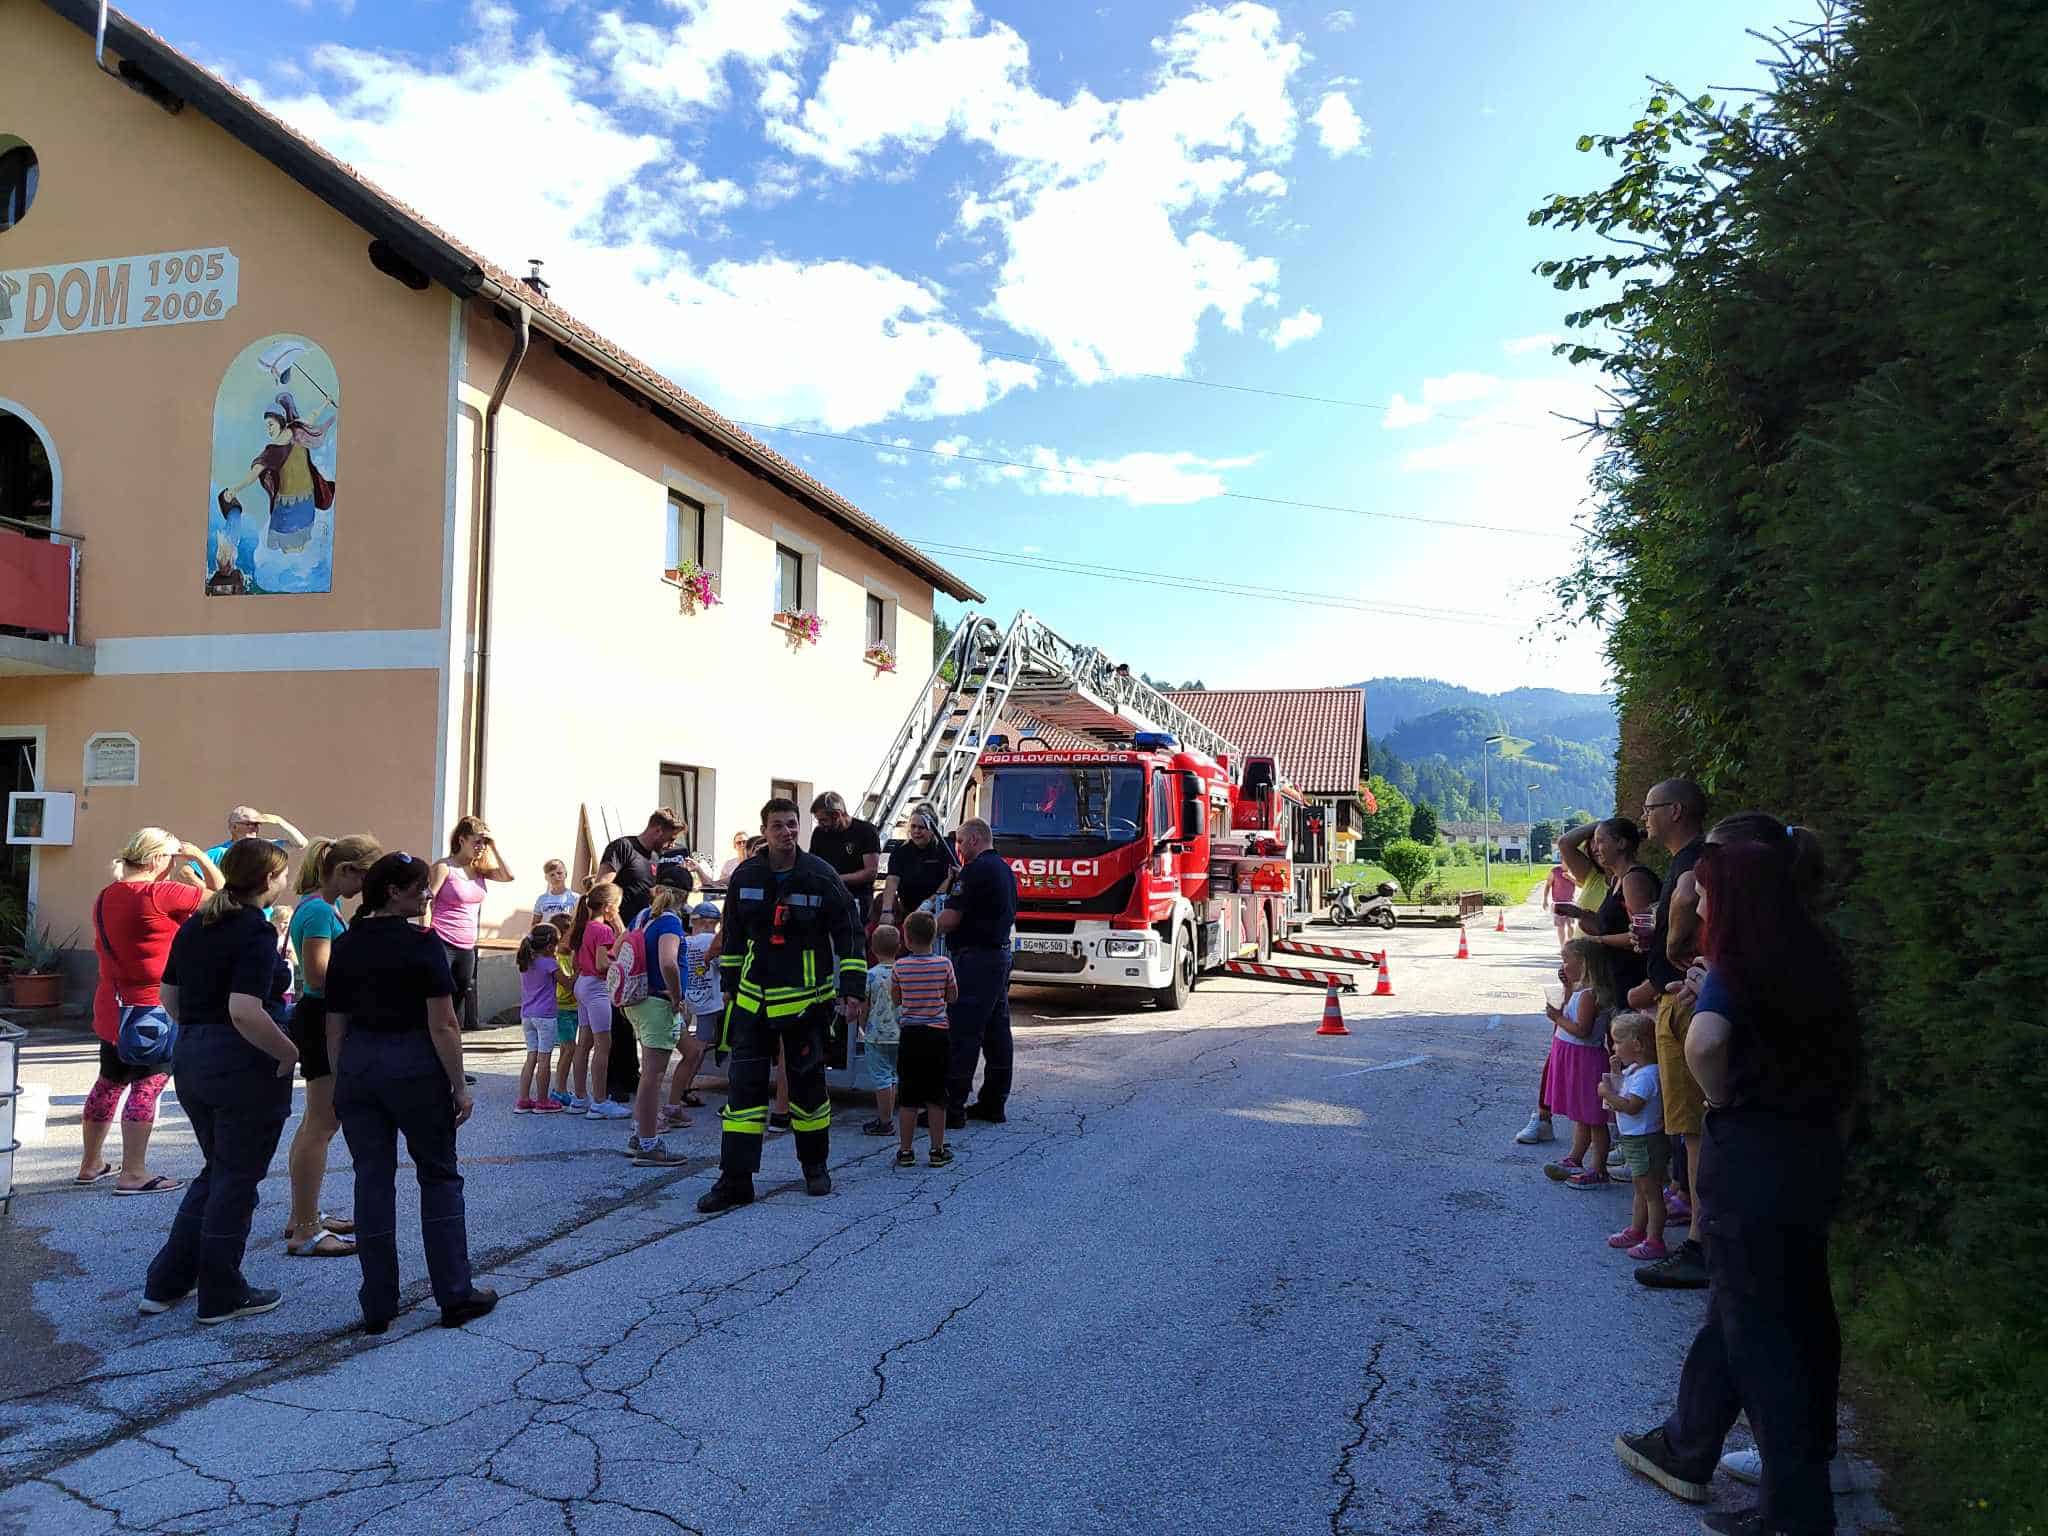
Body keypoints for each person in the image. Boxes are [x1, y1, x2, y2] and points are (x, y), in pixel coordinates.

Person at [1613, 830, 1860, 1536]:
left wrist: (1721, 1103)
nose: (1701, 896)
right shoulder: (1819, 955)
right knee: (1789, 1309)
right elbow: (1845, 1076)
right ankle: (1688, 1447)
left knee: (1761, 1333)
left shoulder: (1740, 957)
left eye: (1709, 889)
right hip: (1808, 1153)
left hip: (1752, 1152)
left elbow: (1707, 1041)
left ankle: (1795, 1515)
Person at [325, 852, 497, 1335]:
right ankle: (454, 1293)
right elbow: (443, 1022)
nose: (427, 894)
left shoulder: (348, 943)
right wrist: (459, 1084)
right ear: (393, 891)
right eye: (420, 887)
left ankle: (378, 1303)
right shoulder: (423, 943)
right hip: (413, 1066)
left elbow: (334, 1026)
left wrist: (342, 1081)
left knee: (372, 1180)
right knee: (439, 1177)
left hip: (360, 1064)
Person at [140, 839, 298, 1324]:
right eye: (282, 873)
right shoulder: (254, 931)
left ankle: (167, 1281)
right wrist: (289, 1054)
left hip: (192, 1054)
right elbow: (245, 1009)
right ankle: (221, 1291)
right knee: (235, 1179)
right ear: (269, 879)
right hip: (240, 1063)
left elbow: (169, 995)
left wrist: (203, 1033)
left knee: (217, 1171)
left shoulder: (200, 923)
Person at [696, 797, 865, 1214]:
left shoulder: (820, 875)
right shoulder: (747, 876)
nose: (787, 832)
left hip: (807, 1003)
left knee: (808, 1090)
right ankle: (736, 1180)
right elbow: (733, 934)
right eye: (778, 826)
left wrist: (853, 987)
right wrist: (732, 985)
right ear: (765, 831)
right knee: (743, 1094)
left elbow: (850, 933)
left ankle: (815, 1168)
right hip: (754, 1002)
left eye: (792, 825)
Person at [82, 829, 222, 1195]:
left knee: (109, 1080)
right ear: (159, 859)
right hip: (151, 1008)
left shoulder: (105, 896)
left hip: (111, 1003)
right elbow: (226, 899)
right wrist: (201, 861)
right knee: (148, 1085)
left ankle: (90, 1163)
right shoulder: (162, 893)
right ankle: (133, 1173)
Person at [282, 833, 382, 1258]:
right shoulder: (321, 912)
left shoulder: (322, 907)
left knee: (315, 1123)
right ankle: (305, 1230)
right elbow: (320, 976)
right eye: (363, 877)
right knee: (322, 1126)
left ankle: (303, 1214)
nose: (365, 887)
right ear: (344, 871)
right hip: (321, 1020)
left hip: (318, 1019)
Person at [1630, 779, 1711, 1290]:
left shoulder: (1690, 863)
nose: (1644, 817)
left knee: (1693, 1129)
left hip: (1678, 1000)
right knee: (1690, 1127)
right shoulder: (1693, 858)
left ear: (1675, 811)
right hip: (1671, 992)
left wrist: (1674, 944)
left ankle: (1701, 1243)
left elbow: (1684, 901)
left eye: (1650, 808)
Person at [595, 809, 686, 1102]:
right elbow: (601, 888)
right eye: (669, 838)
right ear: (658, 829)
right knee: (619, 1013)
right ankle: (614, 1082)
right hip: (624, 941)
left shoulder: (655, 860)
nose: (669, 845)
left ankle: (631, 1074)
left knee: (635, 1014)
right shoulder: (623, 848)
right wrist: (625, 933)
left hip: (642, 941)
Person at [938, 817, 1018, 1127]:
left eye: (959, 841)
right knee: (997, 1034)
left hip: (975, 960)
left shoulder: (975, 871)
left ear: (973, 839)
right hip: (997, 956)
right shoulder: (1002, 868)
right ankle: (993, 1103)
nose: (957, 848)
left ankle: (952, 1108)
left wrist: (918, 927)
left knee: (963, 1032)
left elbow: (950, 919)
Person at [1539, 937, 1617, 1188]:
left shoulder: (1588, 995)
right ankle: (1575, 1157)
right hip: (1575, 1056)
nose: (1562, 965)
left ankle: (1599, 1169)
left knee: (1594, 1118)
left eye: (1566, 959)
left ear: (1583, 962)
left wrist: (1557, 1018)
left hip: (1583, 1060)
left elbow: (1581, 1029)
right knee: (1582, 1115)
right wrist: (1568, 987)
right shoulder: (1580, 990)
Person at [624, 882, 691, 1165]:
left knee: (647, 1073)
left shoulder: (641, 917)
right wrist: (676, 996)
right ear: (686, 894)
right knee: (653, 1076)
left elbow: (618, 951)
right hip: (657, 1002)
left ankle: (641, 1136)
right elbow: (668, 962)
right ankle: (649, 1143)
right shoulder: (670, 922)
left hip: (636, 1001)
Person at [429, 816, 515, 1034]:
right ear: (461, 840)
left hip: (467, 946)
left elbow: (508, 876)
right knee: (438, 1002)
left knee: (457, 1003)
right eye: (476, 842)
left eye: (483, 843)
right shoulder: (444, 867)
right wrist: (424, 934)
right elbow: (427, 899)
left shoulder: (478, 870)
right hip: (442, 941)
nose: (480, 847)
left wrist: (493, 845)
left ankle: (451, 1049)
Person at [1598, 1010, 1668, 1261]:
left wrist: (1606, 1094)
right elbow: (1623, 1089)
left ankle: (1655, 1239)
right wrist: (1615, 1074)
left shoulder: (1647, 1076)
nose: (1613, 1046)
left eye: (1618, 1041)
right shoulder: (1635, 1070)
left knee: (1651, 1191)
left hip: (1645, 1140)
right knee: (1640, 1188)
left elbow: (1631, 1106)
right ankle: (1638, 1229)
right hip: (1634, 1139)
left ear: (1636, 1045)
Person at [892, 911, 957, 1168]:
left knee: (908, 1096)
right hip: (937, 1034)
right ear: (934, 936)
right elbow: (952, 996)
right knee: (936, 1095)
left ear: (906, 939)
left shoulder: (900, 966)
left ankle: (906, 1151)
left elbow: (896, 999)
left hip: (910, 1034)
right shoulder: (944, 964)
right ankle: (937, 1150)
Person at [566, 884, 630, 1118]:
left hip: (583, 983)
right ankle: (600, 1102)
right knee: (603, 1045)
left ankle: (580, 1098)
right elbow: (603, 963)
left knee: (584, 1043)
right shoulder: (602, 931)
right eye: (618, 906)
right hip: (597, 988)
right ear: (609, 907)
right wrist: (622, 966)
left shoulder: (585, 926)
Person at [662, 902, 722, 1129]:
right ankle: (685, 1086)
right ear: (711, 923)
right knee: (699, 1047)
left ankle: (680, 1087)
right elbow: (722, 966)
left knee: (684, 1043)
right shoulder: (712, 941)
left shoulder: (685, 941)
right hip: (709, 1002)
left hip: (686, 998)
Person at [875, 804, 957, 930]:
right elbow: (892, 881)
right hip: (908, 912)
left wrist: (926, 906)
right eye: (913, 826)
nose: (916, 831)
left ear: (932, 830)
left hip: (936, 912)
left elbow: (949, 879)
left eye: (921, 827)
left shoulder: (943, 849)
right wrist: (887, 911)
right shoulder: (901, 851)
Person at [514, 920, 565, 1114]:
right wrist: (578, 972)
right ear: (551, 946)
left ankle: (523, 1099)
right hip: (546, 1017)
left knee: (531, 1057)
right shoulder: (550, 964)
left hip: (527, 1016)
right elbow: (567, 984)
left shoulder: (526, 962)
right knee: (545, 1059)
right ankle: (543, 1100)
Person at [810, 791, 881, 920]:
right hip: (827, 898)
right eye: (818, 820)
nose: (820, 824)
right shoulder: (819, 833)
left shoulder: (866, 831)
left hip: (857, 900)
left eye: (823, 820)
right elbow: (813, 864)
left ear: (837, 814)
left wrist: (836, 879)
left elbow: (871, 872)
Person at [860, 924, 903, 1136]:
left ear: (873, 949)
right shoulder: (902, 972)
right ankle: (890, 1114)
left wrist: (862, 1025)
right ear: (899, 947)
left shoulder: (870, 975)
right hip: (901, 1033)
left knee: (881, 1078)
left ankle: (885, 1121)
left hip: (877, 1035)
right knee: (893, 1075)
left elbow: (864, 1006)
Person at [202, 806, 309, 870]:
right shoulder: (219, 852)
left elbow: (301, 843)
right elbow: (188, 872)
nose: (253, 828)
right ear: (234, 827)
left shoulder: (266, 848)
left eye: (257, 824)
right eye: (248, 824)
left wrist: (279, 821)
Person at [550, 919, 581, 1107]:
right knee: (570, 1048)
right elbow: (567, 984)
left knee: (566, 1049)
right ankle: (559, 1089)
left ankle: (560, 1087)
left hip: (572, 1008)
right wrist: (579, 971)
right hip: (562, 1008)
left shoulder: (568, 956)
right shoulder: (557, 959)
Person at [1543, 859, 1578, 948]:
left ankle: (1571, 946)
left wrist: (1570, 877)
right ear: (1562, 860)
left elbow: (1580, 884)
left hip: (1571, 903)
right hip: (1558, 903)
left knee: (1570, 925)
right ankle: (1563, 947)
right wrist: (1545, 899)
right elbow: (1548, 885)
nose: (1569, 864)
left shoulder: (1574, 871)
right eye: (1567, 861)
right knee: (1560, 926)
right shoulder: (1555, 871)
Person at [534, 859, 577, 924]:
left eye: (559, 873)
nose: (556, 877)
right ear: (546, 878)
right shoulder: (542, 899)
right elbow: (535, 923)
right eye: (552, 875)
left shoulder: (575, 898)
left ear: (565, 874)